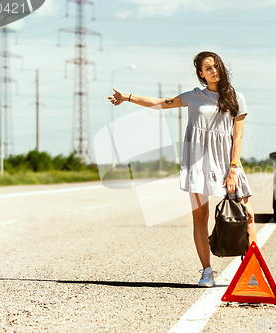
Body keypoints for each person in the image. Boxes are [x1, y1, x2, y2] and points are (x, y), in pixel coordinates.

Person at [107, 51, 257, 287]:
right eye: (208, 68)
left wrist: (233, 169)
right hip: (197, 162)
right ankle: (207, 271)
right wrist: (127, 97)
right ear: (201, 74)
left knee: (247, 216)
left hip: (226, 162)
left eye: (216, 65)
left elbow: (237, 138)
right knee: (200, 217)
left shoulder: (237, 97)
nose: (214, 70)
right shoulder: (193, 97)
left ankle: (252, 271)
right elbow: (158, 103)